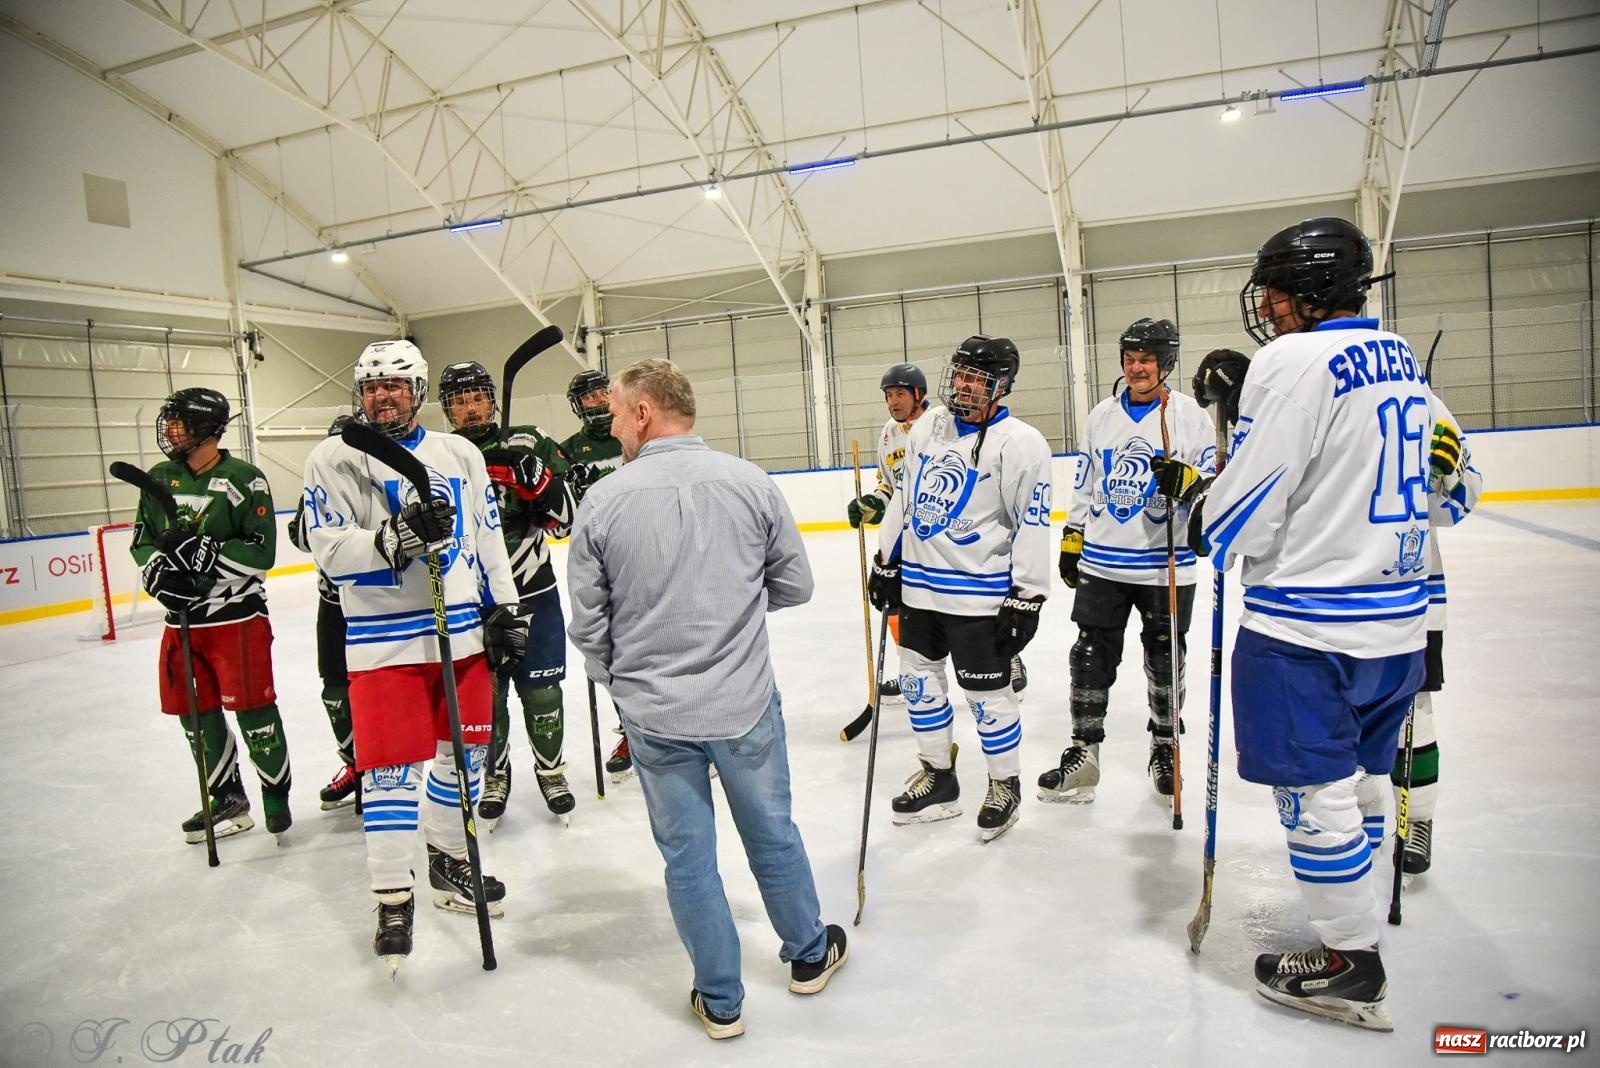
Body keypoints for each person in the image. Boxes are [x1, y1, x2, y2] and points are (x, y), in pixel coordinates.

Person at [1152, 217, 1467, 1031]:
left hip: (1308, 630)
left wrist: (1199, 508)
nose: (1272, 306)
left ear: (1313, 291)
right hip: (1397, 632)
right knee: (1358, 782)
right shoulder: (1405, 367)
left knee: (1311, 795)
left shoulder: (1294, 363)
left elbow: (1247, 514)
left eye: (1281, 289)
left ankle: (1349, 960)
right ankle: (1355, 909)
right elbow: (1458, 496)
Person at [566, 358, 846, 1040]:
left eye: (615, 415)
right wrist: (734, 610)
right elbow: (795, 586)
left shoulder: (603, 501)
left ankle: (721, 1000)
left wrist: (620, 681)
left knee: (687, 858)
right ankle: (809, 954)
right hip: (744, 701)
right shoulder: (749, 482)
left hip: (655, 715)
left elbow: (588, 623)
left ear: (642, 413)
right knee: (771, 833)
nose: (611, 429)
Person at [301, 339, 527, 973]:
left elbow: (486, 537)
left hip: (460, 638)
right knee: (390, 776)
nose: (383, 395)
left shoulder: (457, 454)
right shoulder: (332, 457)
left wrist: (506, 609)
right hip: (384, 646)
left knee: (469, 758)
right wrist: (394, 537)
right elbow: (326, 548)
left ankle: (451, 860)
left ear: (418, 392)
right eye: (372, 385)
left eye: (395, 385)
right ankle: (393, 895)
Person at [868, 336, 1053, 843]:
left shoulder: (1021, 443)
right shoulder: (931, 424)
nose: (965, 386)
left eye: (978, 379)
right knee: (918, 684)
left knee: (987, 697)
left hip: (979, 596)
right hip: (920, 591)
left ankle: (1003, 783)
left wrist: (1028, 594)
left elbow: (1032, 523)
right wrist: (887, 560)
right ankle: (939, 776)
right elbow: (905, 496)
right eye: (962, 375)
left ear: (1002, 385)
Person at [1038, 318, 1216, 804]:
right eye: (1130, 359)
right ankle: (1085, 752)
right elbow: (1087, 480)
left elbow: (1212, 490)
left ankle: (1165, 744)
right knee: (1089, 655)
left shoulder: (1189, 417)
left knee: (1165, 658)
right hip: (1104, 562)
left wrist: (1191, 485)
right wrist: (1073, 535)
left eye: (1146, 360)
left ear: (1166, 362)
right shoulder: (1101, 415)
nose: (1136, 368)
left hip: (1165, 561)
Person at [131, 387, 292, 845]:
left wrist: (209, 558)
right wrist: (159, 575)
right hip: (182, 624)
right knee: (194, 715)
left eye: (179, 421)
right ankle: (226, 797)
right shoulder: (159, 477)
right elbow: (142, 538)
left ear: (206, 428)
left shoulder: (246, 478)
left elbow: (263, 551)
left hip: (235, 620)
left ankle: (275, 794)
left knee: (255, 712)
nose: (169, 429)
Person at [437, 360, 578, 828]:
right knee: (487, 699)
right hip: (471, 603)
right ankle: (495, 774)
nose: (470, 408)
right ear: (446, 409)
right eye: (459, 401)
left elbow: (569, 518)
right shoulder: (437, 455)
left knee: (541, 692)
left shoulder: (528, 440)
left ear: (492, 400)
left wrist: (538, 483)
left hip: (533, 592)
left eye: (477, 397)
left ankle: (552, 771)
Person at [846, 363, 1029, 711]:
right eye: (888, 395)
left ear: (919, 395)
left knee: (984, 610)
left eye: (900, 393)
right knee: (903, 602)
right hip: (914, 538)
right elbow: (891, 486)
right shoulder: (888, 433)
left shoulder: (944, 424)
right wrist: (874, 503)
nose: (893, 402)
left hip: (959, 538)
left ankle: (1010, 659)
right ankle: (911, 671)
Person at [1393, 402, 1482, 880]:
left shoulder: (1427, 409)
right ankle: (1353, 824)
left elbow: (1459, 505)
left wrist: (1445, 474)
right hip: (1341, 594)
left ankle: (1418, 818)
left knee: (1415, 710)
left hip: (1415, 591)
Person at [558, 368, 631, 781]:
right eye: (588, 397)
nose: (599, 401)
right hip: (599, 566)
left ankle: (689, 733)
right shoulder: (567, 452)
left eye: (604, 392)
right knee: (608, 654)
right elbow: (562, 523)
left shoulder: (636, 434)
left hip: (645, 558)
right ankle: (635, 731)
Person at [286, 414, 361, 813]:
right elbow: (302, 539)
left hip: (375, 606)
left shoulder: (375, 482)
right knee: (335, 692)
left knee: (380, 690)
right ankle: (354, 764)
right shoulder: (316, 486)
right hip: (332, 606)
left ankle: (386, 768)